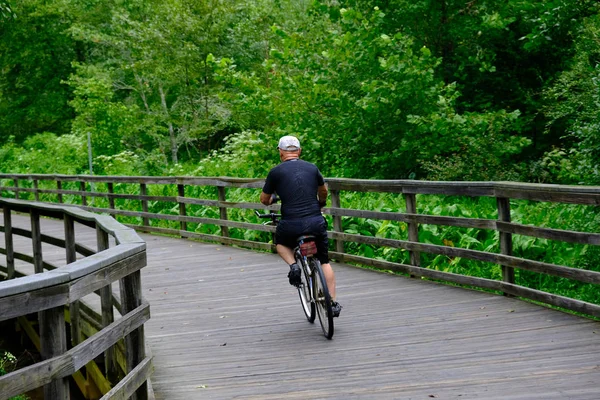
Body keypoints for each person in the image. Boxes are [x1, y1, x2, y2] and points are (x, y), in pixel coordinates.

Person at [260, 135, 342, 317]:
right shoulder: (312, 168)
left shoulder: (275, 172)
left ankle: (293, 266)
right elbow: (324, 190)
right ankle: (333, 303)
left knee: (281, 243)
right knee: (324, 261)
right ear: (299, 151)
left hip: (291, 223)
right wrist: (321, 203)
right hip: (315, 222)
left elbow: (265, 199)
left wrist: (275, 197)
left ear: (281, 153)